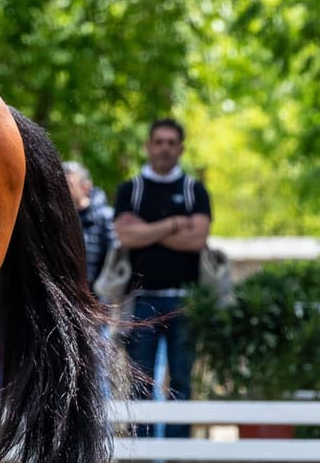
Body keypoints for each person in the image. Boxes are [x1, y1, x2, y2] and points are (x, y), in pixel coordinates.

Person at [111, 118, 211, 440]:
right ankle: (143, 447)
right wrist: (172, 226)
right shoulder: (131, 190)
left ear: (180, 148)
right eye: (159, 142)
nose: (165, 148)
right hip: (142, 300)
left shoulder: (194, 191)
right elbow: (125, 235)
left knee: (181, 378)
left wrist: (148, 231)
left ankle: (177, 447)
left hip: (186, 300)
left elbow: (197, 240)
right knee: (141, 378)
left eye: (171, 143)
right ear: (148, 146)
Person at [64, 161, 116, 290]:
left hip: (99, 298)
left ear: (86, 187)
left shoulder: (106, 217)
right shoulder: (60, 218)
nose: (62, 190)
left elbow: (113, 261)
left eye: (68, 185)